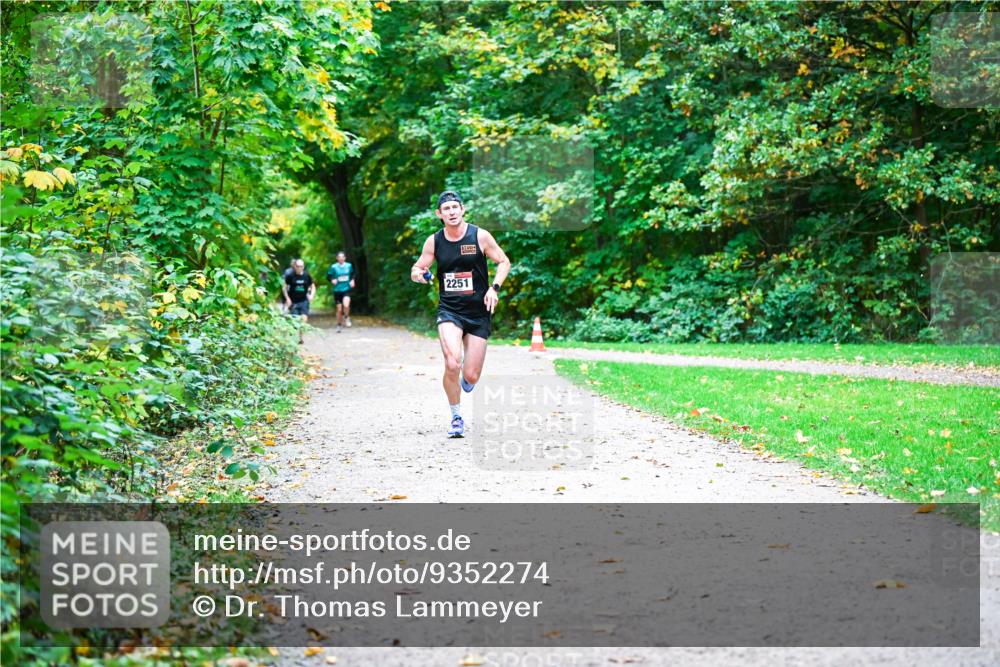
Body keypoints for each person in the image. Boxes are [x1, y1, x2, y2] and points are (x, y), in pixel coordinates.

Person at [410, 190, 511, 438]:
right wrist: (418, 274)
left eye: (456, 207)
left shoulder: (480, 236)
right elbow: (418, 267)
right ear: (439, 214)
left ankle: (466, 380)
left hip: (478, 312)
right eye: (447, 209)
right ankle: (456, 417)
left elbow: (504, 262)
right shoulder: (434, 241)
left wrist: (493, 288)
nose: (452, 212)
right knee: (452, 362)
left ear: (463, 209)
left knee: (471, 374)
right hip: (450, 310)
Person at [282, 258, 315, 343]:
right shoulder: (290, 276)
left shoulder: (307, 276)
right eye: (298, 266)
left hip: (304, 301)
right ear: (294, 267)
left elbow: (313, 286)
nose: (299, 268)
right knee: (295, 321)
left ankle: (300, 338)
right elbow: (284, 287)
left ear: (303, 267)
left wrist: (311, 295)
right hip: (293, 302)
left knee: (304, 319)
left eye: (301, 266)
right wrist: (287, 298)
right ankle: (292, 337)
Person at [326, 251, 355, 333]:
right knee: (339, 310)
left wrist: (352, 280)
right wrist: (332, 280)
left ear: (345, 258)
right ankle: (339, 325)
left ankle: (346, 316)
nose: (341, 258)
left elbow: (353, 273)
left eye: (343, 257)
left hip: (346, 289)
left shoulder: (349, 266)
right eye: (339, 257)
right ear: (337, 258)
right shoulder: (334, 267)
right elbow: (328, 276)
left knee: (346, 304)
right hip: (337, 290)